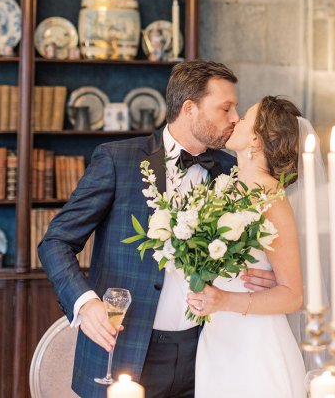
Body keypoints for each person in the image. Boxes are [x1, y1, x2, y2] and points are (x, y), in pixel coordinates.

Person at [38, 60, 277, 398]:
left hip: (207, 351)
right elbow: (55, 242)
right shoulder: (117, 160)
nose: (235, 117)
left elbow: (248, 249)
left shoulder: (231, 171)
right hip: (125, 349)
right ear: (190, 108)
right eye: (225, 107)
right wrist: (84, 302)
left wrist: (261, 276)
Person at [187, 96, 314, 398]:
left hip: (256, 348)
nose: (234, 120)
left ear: (255, 140)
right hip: (219, 338)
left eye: (243, 117)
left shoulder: (269, 195)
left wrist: (224, 300)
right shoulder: (230, 185)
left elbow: (293, 295)